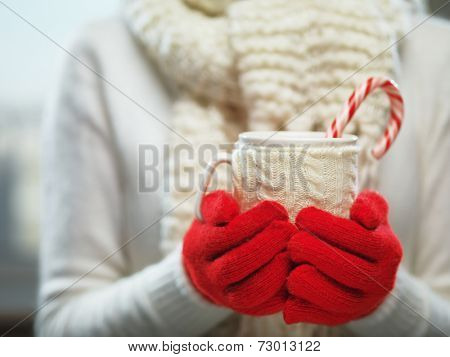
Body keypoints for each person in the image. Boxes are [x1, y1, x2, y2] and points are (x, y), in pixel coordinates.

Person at [36, 0, 450, 336]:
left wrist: (386, 300)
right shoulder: (102, 53)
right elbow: (59, 329)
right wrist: (189, 286)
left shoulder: (433, 54)